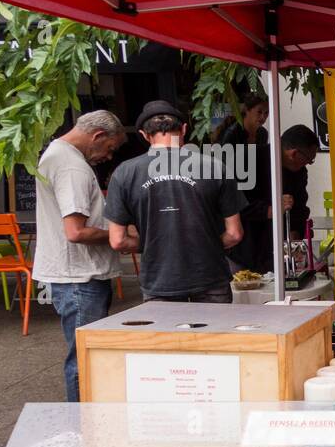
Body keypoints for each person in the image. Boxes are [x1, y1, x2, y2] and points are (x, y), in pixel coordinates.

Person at [33, 110, 133, 401]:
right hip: (80, 276)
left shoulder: (57, 153)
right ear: (98, 136)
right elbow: (76, 231)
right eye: (110, 148)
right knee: (85, 359)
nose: (109, 157)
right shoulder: (72, 167)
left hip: (76, 275)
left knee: (84, 355)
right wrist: (122, 238)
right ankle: (83, 429)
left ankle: (84, 425)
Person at [105, 100, 246, 303]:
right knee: (212, 335)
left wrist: (156, 245)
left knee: (167, 336)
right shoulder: (215, 167)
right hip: (210, 276)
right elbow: (234, 233)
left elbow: (118, 240)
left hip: (159, 281)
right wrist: (205, 245)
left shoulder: (124, 173)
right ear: (184, 129)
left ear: (144, 135)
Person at [244, 124, 319, 273]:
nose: (307, 165)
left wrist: (295, 240)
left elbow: (299, 207)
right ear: (294, 153)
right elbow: (235, 204)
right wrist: (270, 210)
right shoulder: (251, 159)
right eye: (309, 160)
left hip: (278, 253)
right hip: (246, 248)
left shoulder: (299, 172)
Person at [214, 95, 270, 272]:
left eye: (266, 113)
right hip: (237, 189)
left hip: (255, 189)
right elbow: (227, 170)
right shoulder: (232, 134)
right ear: (247, 110)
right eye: (259, 112)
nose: (263, 117)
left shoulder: (262, 134)